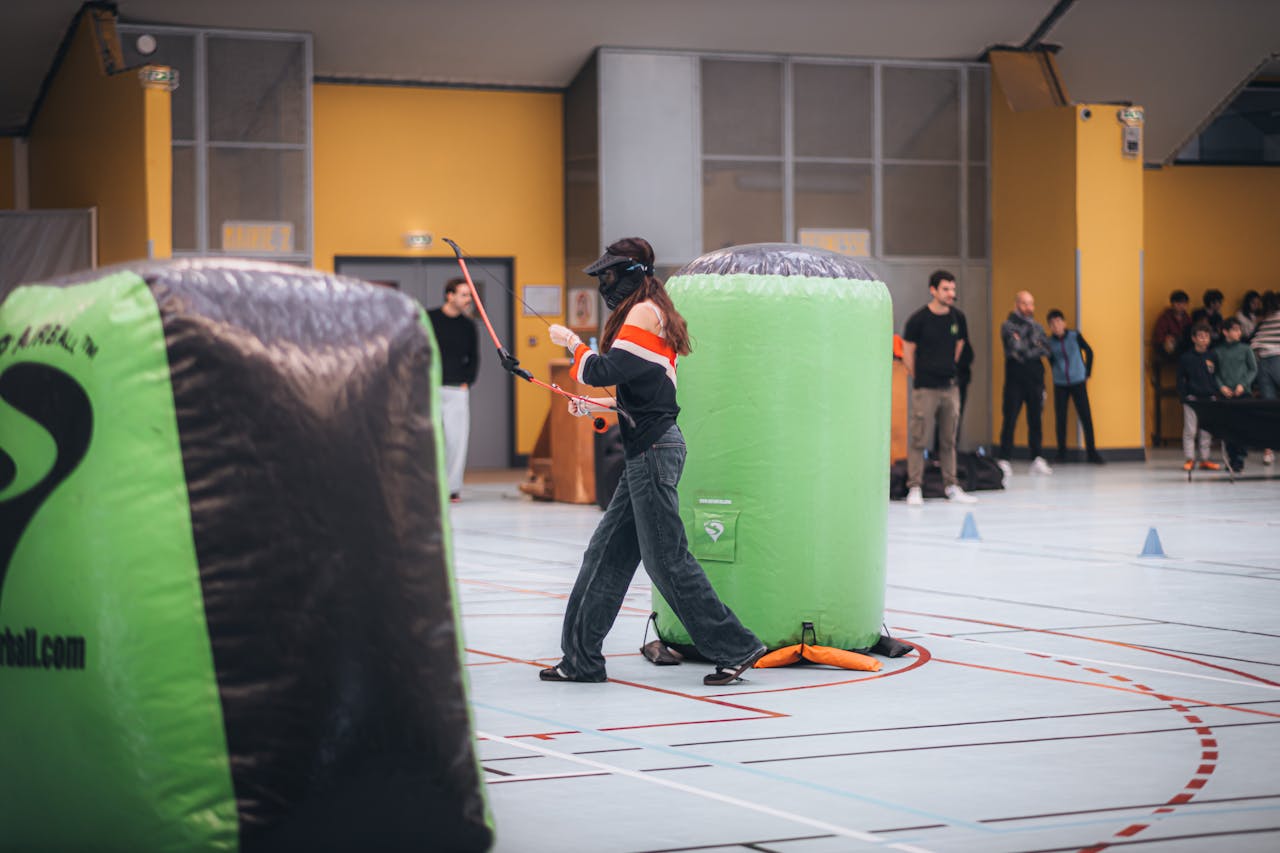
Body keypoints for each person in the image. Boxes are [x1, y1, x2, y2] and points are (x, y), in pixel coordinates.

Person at [539, 237, 766, 686]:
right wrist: (594, 407)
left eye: (608, 274)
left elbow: (600, 372)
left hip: (655, 450)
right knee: (604, 556)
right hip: (649, 448)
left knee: (666, 561)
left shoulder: (645, 313)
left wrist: (571, 343)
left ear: (631, 274)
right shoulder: (647, 314)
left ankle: (736, 647)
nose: (603, 283)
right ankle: (581, 660)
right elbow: (642, 394)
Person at [901, 270, 978, 506]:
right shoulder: (918, 319)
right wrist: (919, 375)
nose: (951, 294)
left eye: (953, 289)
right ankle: (915, 487)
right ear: (933, 290)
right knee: (919, 438)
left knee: (948, 439)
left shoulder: (957, 318)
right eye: (946, 289)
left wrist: (948, 368)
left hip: (950, 387)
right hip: (926, 388)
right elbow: (908, 351)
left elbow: (959, 345)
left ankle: (951, 485)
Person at [427, 277, 479, 502]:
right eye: (464, 294)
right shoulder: (429, 319)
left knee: (456, 440)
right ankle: (429, 487)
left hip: (457, 388)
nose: (468, 299)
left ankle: (452, 488)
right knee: (430, 439)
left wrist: (467, 380)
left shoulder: (468, 326)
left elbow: (474, 357)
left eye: (469, 295)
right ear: (450, 295)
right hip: (430, 388)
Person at [998, 291, 1053, 479]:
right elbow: (1016, 349)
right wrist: (1033, 346)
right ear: (1017, 305)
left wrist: (1029, 346)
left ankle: (1037, 457)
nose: (1029, 308)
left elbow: (1046, 348)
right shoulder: (1008, 326)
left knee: (1036, 420)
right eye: (1025, 304)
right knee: (1010, 418)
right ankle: (1004, 459)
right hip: (1015, 380)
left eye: (1031, 304)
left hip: (1036, 380)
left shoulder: (1037, 326)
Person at [1045, 309, 1104, 464]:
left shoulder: (1075, 336)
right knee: (1061, 418)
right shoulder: (1049, 343)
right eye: (1052, 324)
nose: (1056, 326)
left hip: (1078, 381)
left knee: (1086, 416)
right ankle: (1061, 453)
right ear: (1050, 327)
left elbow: (1089, 352)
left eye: (1058, 322)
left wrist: (1087, 372)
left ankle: (1092, 453)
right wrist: (1057, 372)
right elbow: (1050, 360)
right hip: (1060, 383)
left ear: (1064, 323)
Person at [1213, 317, 1258, 472]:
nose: (1239, 332)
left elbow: (1253, 369)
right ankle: (1231, 457)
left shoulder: (1246, 349)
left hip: (1243, 393)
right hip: (1226, 394)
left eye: (1239, 329)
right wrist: (1221, 387)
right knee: (1228, 426)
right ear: (1225, 332)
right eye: (1235, 329)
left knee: (1243, 426)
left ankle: (1240, 457)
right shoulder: (1217, 351)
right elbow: (1215, 373)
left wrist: (1243, 384)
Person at [1176, 322, 1222, 472]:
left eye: (1206, 336)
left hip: (1209, 398)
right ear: (1193, 338)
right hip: (1192, 399)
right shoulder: (1186, 358)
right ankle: (1190, 459)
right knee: (1190, 430)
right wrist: (1184, 396)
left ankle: (1205, 459)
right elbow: (1180, 379)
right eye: (1200, 337)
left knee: (1206, 431)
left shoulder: (1213, 356)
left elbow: (1217, 376)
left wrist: (1216, 392)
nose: (1204, 339)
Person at [1249, 291, 1280, 465]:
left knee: (1269, 406)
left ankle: (1268, 452)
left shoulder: (1263, 321)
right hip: (1277, 360)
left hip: (1262, 362)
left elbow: (1254, 342)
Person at [1152, 290, 1191, 362]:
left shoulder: (1187, 318)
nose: (1181, 306)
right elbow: (1159, 337)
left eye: (1184, 303)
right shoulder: (1165, 317)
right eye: (1178, 303)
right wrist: (1167, 339)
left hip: (1183, 345)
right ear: (1172, 303)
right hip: (1168, 347)